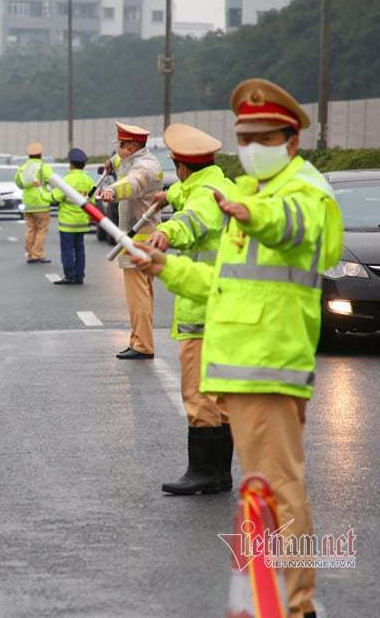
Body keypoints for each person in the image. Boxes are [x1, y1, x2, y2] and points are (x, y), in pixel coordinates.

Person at [131, 78, 343, 618]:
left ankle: (294, 607)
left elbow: (294, 230)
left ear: (290, 141)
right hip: (246, 370)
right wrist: (167, 267)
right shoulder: (252, 194)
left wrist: (256, 217)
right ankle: (269, 600)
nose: (250, 146)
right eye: (244, 136)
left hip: (269, 365)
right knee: (262, 491)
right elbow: (224, 284)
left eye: (263, 137)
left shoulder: (302, 193)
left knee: (278, 488)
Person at [147, 123, 237, 496]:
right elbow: (188, 196)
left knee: (200, 394)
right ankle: (220, 473)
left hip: (204, 310)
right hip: (231, 307)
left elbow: (195, 217)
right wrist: (166, 196)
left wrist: (167, 231)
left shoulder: (204, 196)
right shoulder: (222, 184)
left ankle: (204, 472)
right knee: (223, 396)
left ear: (182, 166)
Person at [97, 122, 163, 359]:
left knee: (139, 297)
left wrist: (111, 191)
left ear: (134, 145)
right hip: (136, 237)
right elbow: (120, 162)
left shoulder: (145, 167)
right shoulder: (132, 158)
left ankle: (143, 345)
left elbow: (132, 183)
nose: (120, 149)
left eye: (122, 145)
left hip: (139, 239)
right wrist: (110, 162)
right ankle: (139, 339)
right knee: (142, 295)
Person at [50, 148, 95, 285]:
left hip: (67, 223)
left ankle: (69, 276)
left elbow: (56, 197)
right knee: (80, 249)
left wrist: (45, 195)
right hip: (82, 221)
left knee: (68, 250)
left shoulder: (67, 179)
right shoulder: (89, 180)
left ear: (71, 164)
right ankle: (79, 276)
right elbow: (91, 201)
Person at [14, 142, 54, 264]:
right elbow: (52, 181)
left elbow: (19, 183)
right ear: (41, 154)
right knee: (42, 229)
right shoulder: (43, 167)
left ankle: (30, 254)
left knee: (31, 229)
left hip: (27, 203)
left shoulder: (23, 168)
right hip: (41, 203)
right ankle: (38, 254)